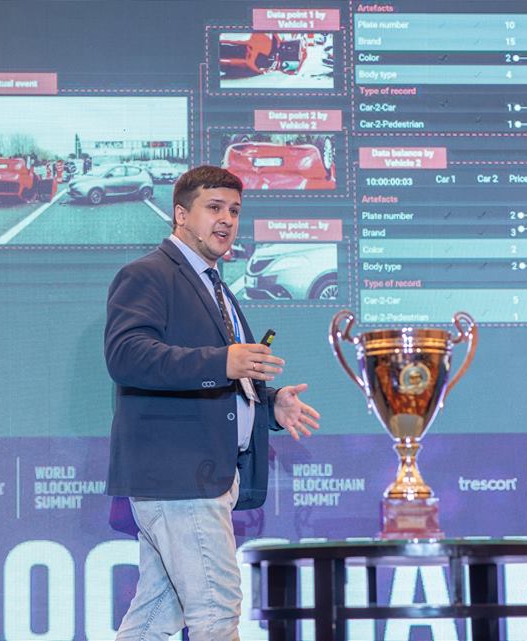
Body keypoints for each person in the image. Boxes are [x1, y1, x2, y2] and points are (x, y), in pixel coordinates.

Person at [105, 165, 320, 640]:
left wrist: (268, 403)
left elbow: (222, 373)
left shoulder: (216, 285)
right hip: (179, 475)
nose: (227, 220)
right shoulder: (148, 275)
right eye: (214, 208)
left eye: (235, 211)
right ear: (181, 214)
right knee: (217, 612)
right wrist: (224, 361)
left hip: (200, 477)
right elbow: (127, 356)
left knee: (156, 616)